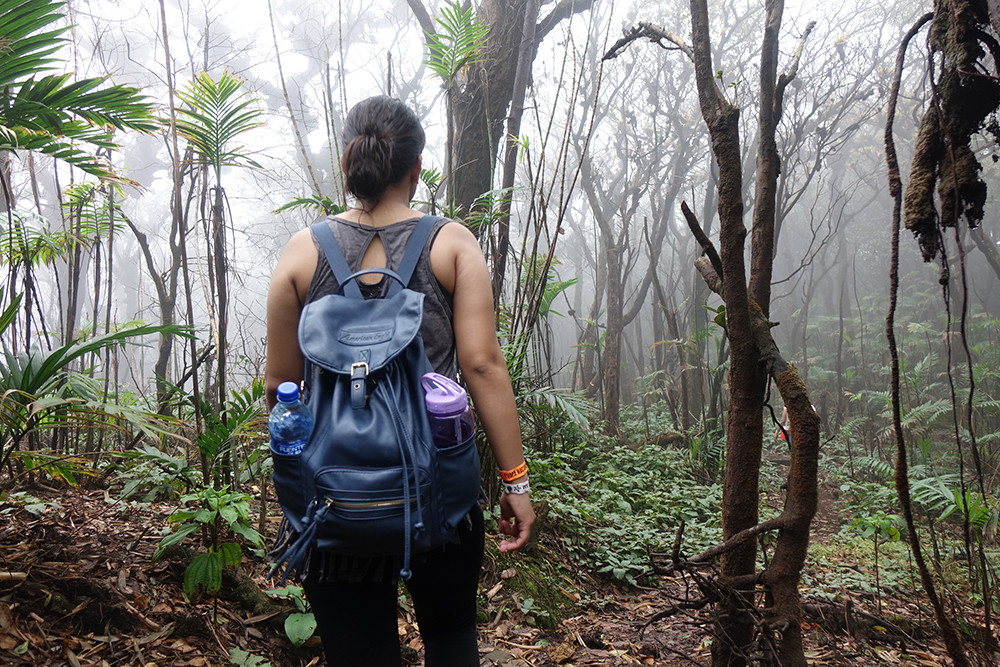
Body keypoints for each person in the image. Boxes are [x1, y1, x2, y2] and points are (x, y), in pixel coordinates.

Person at [265, 95, 534, 667]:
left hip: (335, 502)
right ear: (415, 169)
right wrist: (515, 482)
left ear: (349, 164)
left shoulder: (299, 252)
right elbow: (484, 365)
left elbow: (279, 387)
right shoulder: (452, 243)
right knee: (451, 642)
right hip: (439, 499)